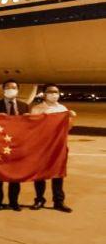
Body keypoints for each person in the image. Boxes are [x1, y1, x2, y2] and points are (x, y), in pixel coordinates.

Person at [30, 84, 74, 213]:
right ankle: (39, 199)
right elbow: (33, 127)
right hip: (41, 146)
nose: (54, 94)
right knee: (40, 175)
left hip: (57, 146)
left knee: (58, 174)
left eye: (56, 92)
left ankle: (58, 201)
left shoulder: (62, 109)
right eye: (50, 92)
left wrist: (70, 117)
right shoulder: (37, 109)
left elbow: (68, 128)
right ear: (44, 94)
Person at [0, 79, 29, 211]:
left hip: (16, 145)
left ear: (18, 90)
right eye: (7, 87)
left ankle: (14, 202)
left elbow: (28, 127)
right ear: (3, 90)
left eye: (13, 87)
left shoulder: (24, 106)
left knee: (15, 176)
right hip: (0, 144)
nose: (10, 90)